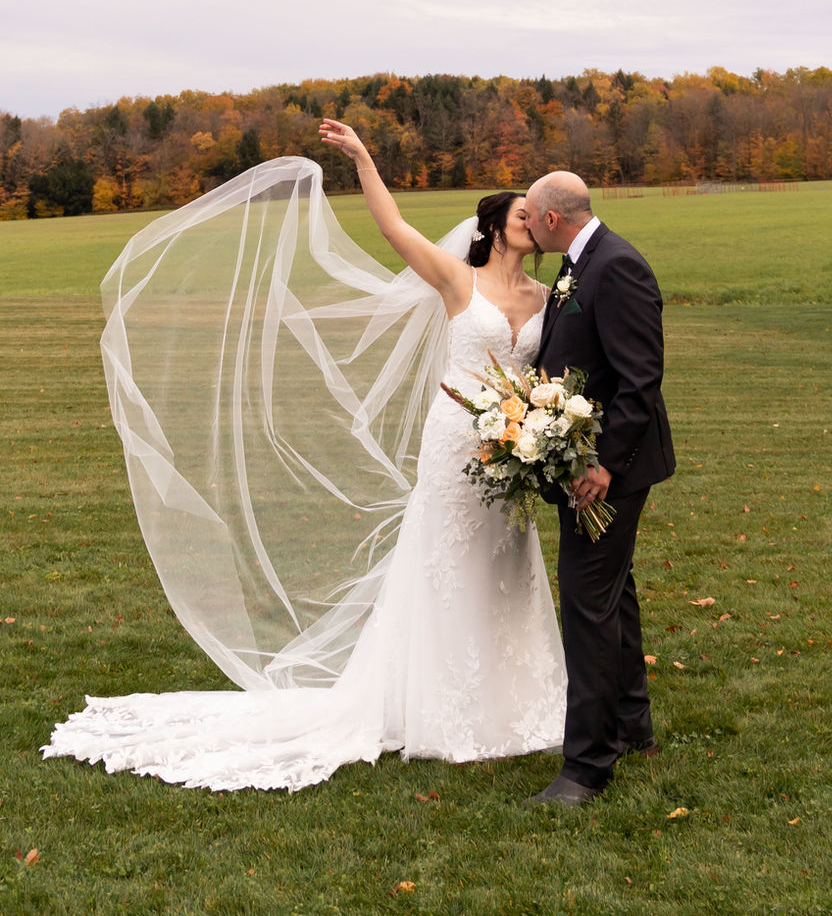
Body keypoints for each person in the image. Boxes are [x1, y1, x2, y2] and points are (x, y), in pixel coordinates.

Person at [43, 139, 565, 790]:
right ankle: (442, 705)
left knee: (506, 560)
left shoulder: (550, 296)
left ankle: (516, 699)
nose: (529, 217)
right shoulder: (458, 279)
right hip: (455, 440)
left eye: (534, 213)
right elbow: (394, 227)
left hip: (513, 448)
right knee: (451, 561)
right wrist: (365, 160)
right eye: (519, 210)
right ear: (493, 225)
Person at [523, 170, 675, 806]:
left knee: (587, 603)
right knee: (613, 594)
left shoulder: (616, 266)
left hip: (610, 468)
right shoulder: (577, 264)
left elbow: (641, 379)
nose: (525, 227)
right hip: (586, 458)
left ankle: (586, 768)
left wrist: (605, 463)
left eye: (529, 217)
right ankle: (632, 725)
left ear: (553, 219)